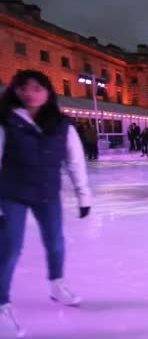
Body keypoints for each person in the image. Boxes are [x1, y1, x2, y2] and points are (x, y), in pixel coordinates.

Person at [0, 70, 92, 338]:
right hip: (12, 192)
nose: (30, 93)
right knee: (10, 248)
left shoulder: (62, 124)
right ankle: (2, 302)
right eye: (24, 88)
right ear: (15, 90)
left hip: (47, 193)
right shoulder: (6, 121)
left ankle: (56, 285)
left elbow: (75, 161)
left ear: (48, 92)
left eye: (37, 88)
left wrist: (83, 195)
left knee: (55, 241)